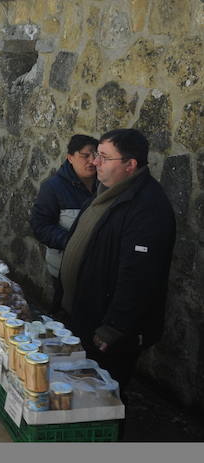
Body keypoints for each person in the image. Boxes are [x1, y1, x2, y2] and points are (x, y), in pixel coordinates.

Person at [59, 129, 176, 396]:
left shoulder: (147, 208)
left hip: (109, 333)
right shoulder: (108, 192)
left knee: (104, 396)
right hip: (87, 318)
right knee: (82, 391)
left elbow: (139, 276)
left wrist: (114, 327)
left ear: (129, 164)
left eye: (103, 157)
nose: (95, 163)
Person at [30, 134, 98, 307]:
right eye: (85, 155)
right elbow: (40, 226)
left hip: (96, 270)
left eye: (96, 155)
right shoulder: (53, 187)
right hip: (64, 268)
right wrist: (72, 243)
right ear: (70, 157)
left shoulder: (104, 186)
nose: (92, 160)